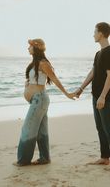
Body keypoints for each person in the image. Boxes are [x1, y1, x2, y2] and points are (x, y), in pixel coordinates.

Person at [13, 38, 75, 167]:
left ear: (36, 48)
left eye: (30, 46)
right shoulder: (35, 63)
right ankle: (44, 158)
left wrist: (66, 94)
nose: (28, 48)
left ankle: (23, 160)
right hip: (38, 100)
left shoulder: (43, 63)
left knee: (28, 129)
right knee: (41, 130)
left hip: (39, 99)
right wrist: (28, 83)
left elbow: (54, 78)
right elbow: (38, 80)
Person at [74, 22, 110, 170]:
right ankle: (105, 157)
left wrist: (102, 97)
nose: (93, 34)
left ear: (101, 33)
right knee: (100, 127)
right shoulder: (98, 53)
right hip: (96, 95)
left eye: (95, 31)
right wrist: (81, 88)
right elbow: (93, 72)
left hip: (105, 97)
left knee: (108, 127)